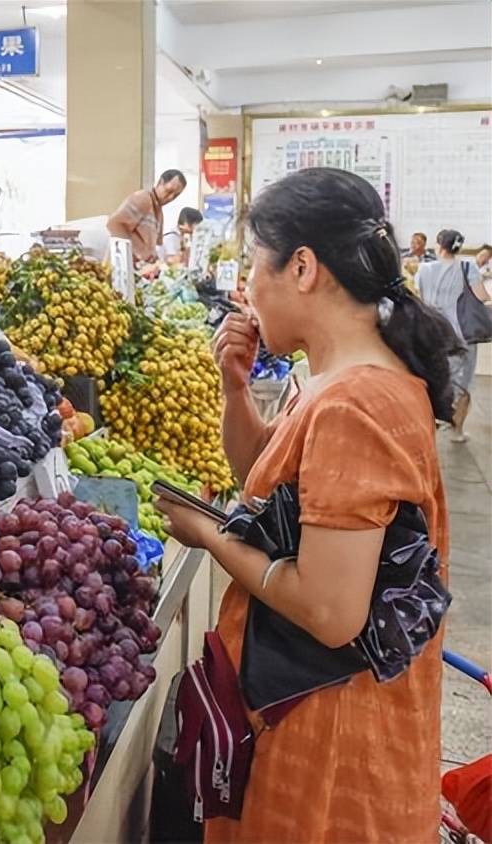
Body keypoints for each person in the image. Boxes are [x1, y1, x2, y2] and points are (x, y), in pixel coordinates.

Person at [157, 168, 460, 843]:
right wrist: (234, 390)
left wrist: (210, 537)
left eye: (252, 264)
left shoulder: (359, 403)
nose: (246, 288)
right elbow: (266, 489)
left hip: (328, 735)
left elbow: (329, 611)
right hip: (295, 705)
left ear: (301, 267)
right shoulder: (328, 379)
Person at [416, 228, 489, 442]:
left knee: (433, 378)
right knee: (462, 382)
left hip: (434, 333)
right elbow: (482, 296)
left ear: (439, 245)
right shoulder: (469, 267)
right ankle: (457, 431)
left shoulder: (424, 268)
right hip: (462, 335)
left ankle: (428, 424)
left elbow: (422, 298)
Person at [106, 170, 187, 263]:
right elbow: (114, 224)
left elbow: (157, 246)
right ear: (160, 182)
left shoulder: (160, 213)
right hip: (123, 265)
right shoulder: (143, 198)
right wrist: (139, 252)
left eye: (175, 196)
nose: (170, 198)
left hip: (141, 268)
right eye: (169, 191)